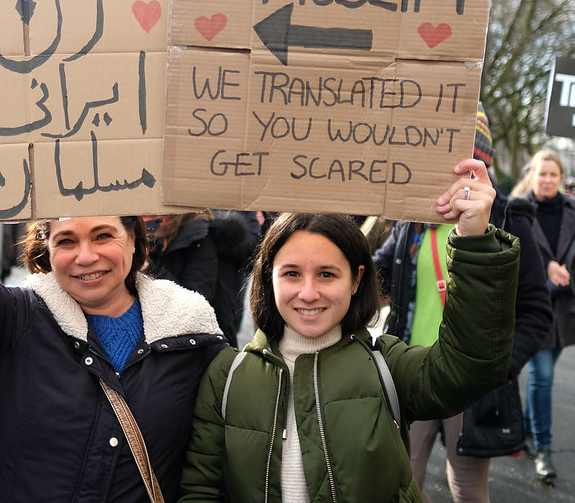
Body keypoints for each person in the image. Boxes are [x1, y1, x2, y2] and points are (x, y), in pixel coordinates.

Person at [0, 81, 229, 503]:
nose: (85, 257)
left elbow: (215, 464)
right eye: (66, 241)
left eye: (103, 235)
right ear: (46, 252)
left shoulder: (195, 337)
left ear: (134, 239)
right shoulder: (15, 319)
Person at [179, 158, 520, 503]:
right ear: (268, 277)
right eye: (292, 273)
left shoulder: (387, 365)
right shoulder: (226, 376)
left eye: (327, 274)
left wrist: (474, 242)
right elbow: (201, 489)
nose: (308, 292)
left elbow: (470, 367)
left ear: (356, 279)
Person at [374, 107, 552, 502]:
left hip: (471, 390)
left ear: (479, 161)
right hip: (411, 373)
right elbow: (375, 276)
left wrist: (497, 367)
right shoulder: (414, 217)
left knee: (468, 490)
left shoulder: (508, 218)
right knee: (402, 484)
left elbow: (538, 309)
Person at [511, 148, 575, 481]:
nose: (547, 180)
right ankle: (544, 447)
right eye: (542, 174)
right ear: (532, 175)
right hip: (530, 309)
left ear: (562, 180)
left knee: (542, 377)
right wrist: (543, 268)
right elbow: (504, 256)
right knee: (543, 376)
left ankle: (524, 425)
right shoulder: (515, 210)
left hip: (566, 309)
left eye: (553, 175)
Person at [149, 211, 254, 345]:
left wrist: (151, 270)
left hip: (199, 344)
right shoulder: (165, 231)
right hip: (175, 338)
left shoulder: (199, 236)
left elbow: (197, 299)